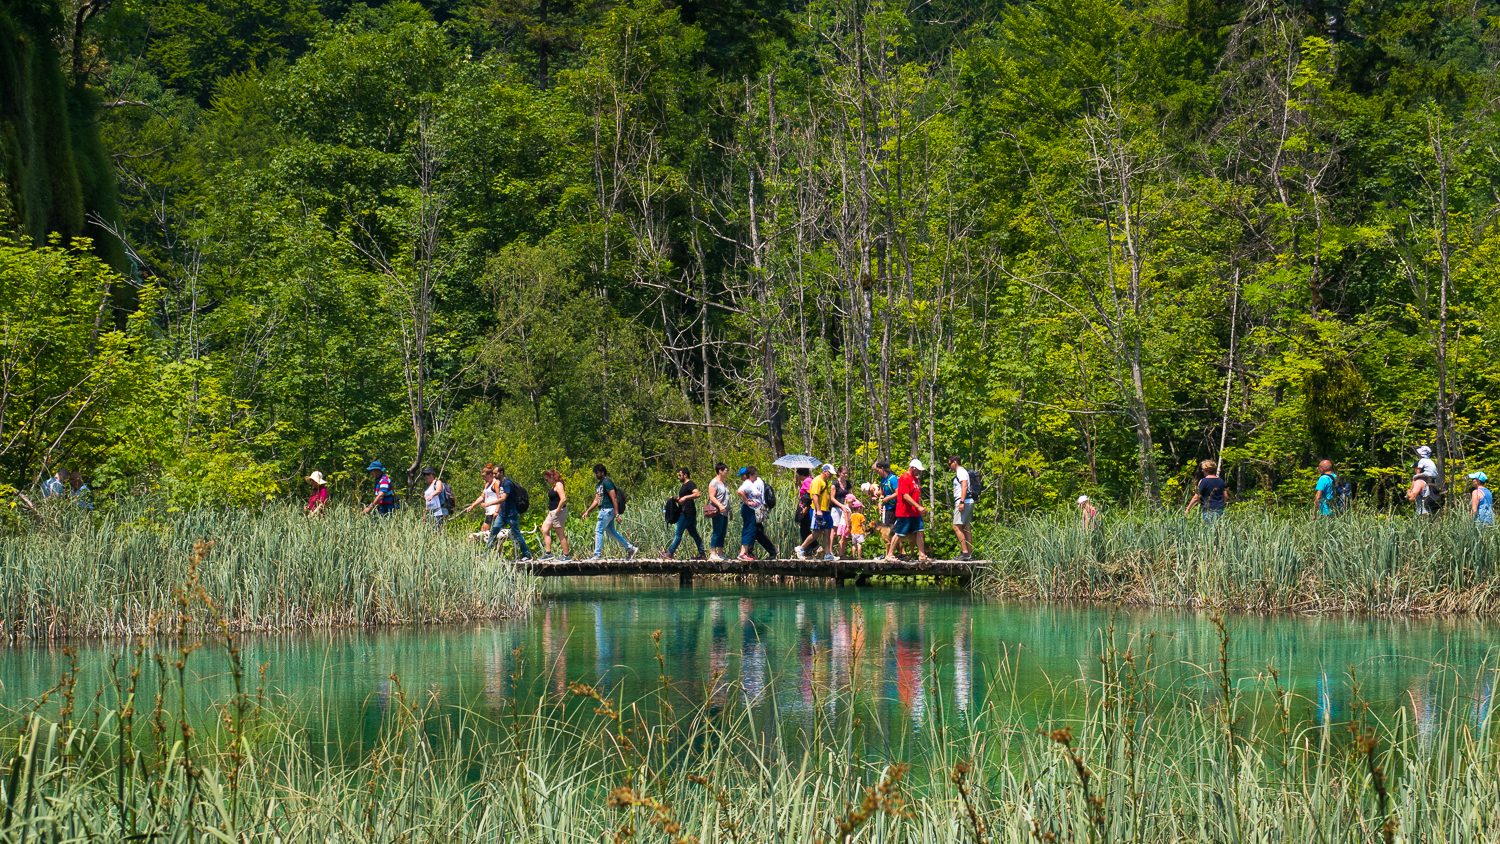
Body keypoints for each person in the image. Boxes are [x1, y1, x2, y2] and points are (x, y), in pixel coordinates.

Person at [582, 464, 638, 560]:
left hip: (607, 510)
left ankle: (597, 555)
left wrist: (617, 514)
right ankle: (631, 548)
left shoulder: (607, 483)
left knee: (598, 531)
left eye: (597, 472)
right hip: (604, 510)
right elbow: (596, 500)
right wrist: (587, 511)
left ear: (602, 472)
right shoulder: (599, 484)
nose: (595, 474)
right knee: (611, 532)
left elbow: (614, 498)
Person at [886, 459, 931, 562]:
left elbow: (915, 496)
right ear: (912, 468)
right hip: (904, 512)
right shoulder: (904, 478)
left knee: (920, 531)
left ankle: (922, 555)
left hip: (915, 512)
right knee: (900, 533)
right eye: (918, 470)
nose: (919, 472)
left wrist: (919, 510)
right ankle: (890, 554)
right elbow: (906, 496)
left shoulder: (915, 479)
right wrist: (918, 507)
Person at [797, 464, 843, 561]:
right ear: (825, 471)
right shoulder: (817, 481)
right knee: (817, 532)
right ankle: (801, 548)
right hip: (818, 511)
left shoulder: (824, 481)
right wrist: (818, 510)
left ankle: (828, 554)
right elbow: (814, 496)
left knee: (827, 531)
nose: (831, 476)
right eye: (830, 473)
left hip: (826, 511)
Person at [487, 465, 532, 560]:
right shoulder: (501, 483)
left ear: (501, 472)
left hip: (511, 514)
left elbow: (503, 499)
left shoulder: (507, 483)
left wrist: (489, 503)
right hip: (502, 514)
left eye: (496, 473)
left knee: (517, 534)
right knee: (493, 532)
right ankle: (486, 554)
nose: (494, 475)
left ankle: (526, 554)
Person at [736, 466, 777, 561]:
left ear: (746, 475)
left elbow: (743, 492)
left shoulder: (751, 483)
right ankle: (747, 553)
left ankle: (747, 552)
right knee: (754, 530)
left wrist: (746, 501)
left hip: (754, 509)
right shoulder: (755, 482)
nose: (742, 478)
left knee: (753, 529)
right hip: (757, 508)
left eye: (742, 476)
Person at [667, 467, 704, 559]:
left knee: (678, 532)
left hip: (687, 513)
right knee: (693, 533)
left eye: (680, 475)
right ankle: (702, 553)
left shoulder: (690, 484)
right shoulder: (684, 486)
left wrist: (685, 497)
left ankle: (669, 553)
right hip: (688, 513)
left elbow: (697, 494)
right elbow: (681, 499)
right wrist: (674, 499)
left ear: (685, 475)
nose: (678, 477)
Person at [461, 464, 502, 534]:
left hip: (494, 512)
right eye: (483, 477)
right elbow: (482, 497)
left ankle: (498, 545)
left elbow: (500, 498)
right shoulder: (487, 485)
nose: (484, 479)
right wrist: (472, 505)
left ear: (490, 474)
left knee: (495, 534)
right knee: (484, 532)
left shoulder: (496, 483)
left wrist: (497, 511)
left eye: (485, 477)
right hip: (489, 512)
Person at [948, 457, 975, 560]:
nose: (949, 467)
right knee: (966, 528)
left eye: (950, 464)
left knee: (956, 527)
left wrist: (961, 502)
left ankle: (965, 553)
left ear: (955, 462)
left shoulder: (960, 472)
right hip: (968, 501)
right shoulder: (962, 472)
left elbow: (964, 486)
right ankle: (969, 553)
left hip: (964, 501)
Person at [540, 468, 570, 559]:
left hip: (558, 512)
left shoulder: (558, 484)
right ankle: (548, 553)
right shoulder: (554, 485)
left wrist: (557, 510)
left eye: (547, 479)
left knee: (560, 533)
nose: (546, 481)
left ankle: (566, 555)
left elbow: (563, 498)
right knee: (545, 529)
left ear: (551, 477)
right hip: (552, 513)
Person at [706, 463, 732, 561]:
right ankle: (713, 554)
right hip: (717, 510)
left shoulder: (723, 483)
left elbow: (726, 497)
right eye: (726, 470)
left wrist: (730, 509)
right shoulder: (714, 482)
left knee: (723, 532)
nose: (727, 472)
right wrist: (720, 506)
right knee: (717, 531)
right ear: (720, 471)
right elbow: (711, 496)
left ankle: (720, 554)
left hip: (725, 511)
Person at [874, 460, 899, 552]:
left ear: (882, 469)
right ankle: (894, 552)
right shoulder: (883, 480)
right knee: (890, 532)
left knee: (890, 532)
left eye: (877, 471)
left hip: (894, 507)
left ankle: (890, 553)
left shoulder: (892, 479)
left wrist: (888, 499)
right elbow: (882, 493)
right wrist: (879, 500)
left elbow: (898, 493)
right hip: (887, 508)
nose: (877, 473)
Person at [794, 467, 817, 553]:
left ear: (802, 474)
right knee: (805, 528)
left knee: (804, 529)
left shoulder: (807, 481)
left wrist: (806, 507)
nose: (798, 477)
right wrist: (799, 484)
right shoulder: (810, 480)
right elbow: (804, 490)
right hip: (807, 506)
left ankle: (814, 546)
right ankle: (808, 549)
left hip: (805, 506)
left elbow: (809, 493)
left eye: (799, 475)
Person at [846, 492, 867, 559]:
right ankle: (859, 556)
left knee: (854, 545)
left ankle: (853, 556)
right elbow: (863, 524)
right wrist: (865, 531)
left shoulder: (852, 515)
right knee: (859, 544)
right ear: (858, 508)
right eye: (861, 508)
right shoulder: (861, 516)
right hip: (859, 532)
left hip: (853, 532)